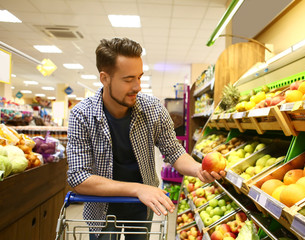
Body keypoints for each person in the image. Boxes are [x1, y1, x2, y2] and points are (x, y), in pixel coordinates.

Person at [66, 37, 226, 240]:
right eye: (128, 79)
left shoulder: (153, 109)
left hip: (141, 207)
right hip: (101, 207)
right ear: (105, 78)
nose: (137, 86)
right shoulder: (82, 115)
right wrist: (138, 189)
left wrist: (197, 169)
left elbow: (174, 151)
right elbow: (79, 177)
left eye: (139, 77)